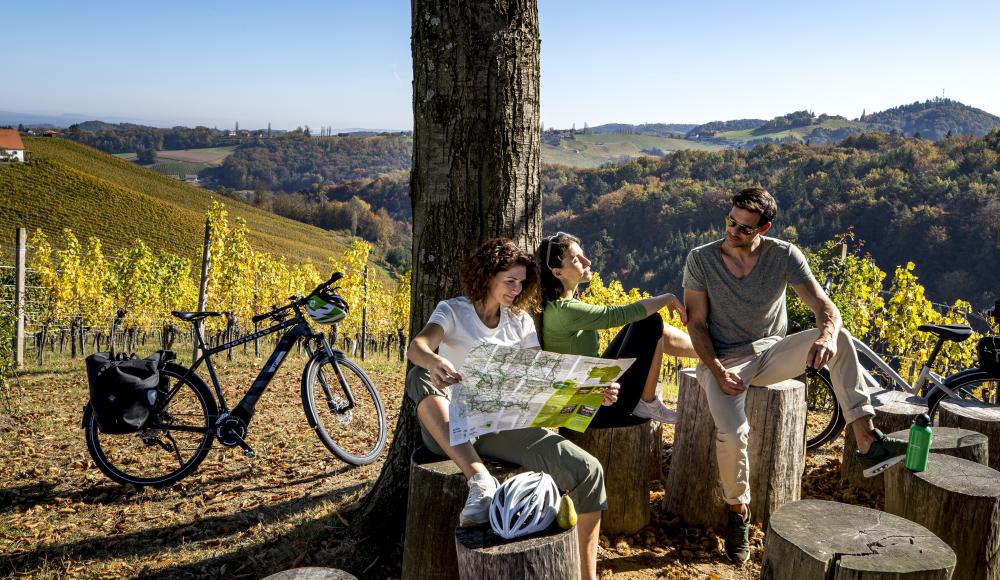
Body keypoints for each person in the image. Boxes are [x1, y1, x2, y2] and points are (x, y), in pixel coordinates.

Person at [682, 186, 908, 562]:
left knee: (843, 339)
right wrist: (718, 370)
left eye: (744, 228)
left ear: (764, 228)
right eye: (730, 222)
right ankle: (737, 513)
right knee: (733, 431)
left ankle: (867, 441)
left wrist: (827, 334)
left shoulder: (784, 255)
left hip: (771, 351)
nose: (733, 232)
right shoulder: (701, 259)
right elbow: (698, 326)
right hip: (723, 360)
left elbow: (824, 306)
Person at [406, 237, 613, 580]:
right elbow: (418, 346)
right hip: (449, 426)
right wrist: (434, 360)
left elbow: (540, 378)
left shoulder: (520, 322)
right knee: (418, 376)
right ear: (487, 276)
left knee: (589, 472)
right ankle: (480, 480)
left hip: (501, 424)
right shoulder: (454, 310)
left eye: (521, 282)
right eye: (510, 281)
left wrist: (590, 392)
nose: (517, 290)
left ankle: (586, 576)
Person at [536, 232, 697, 427]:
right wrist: (668, 297)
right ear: (557, 272)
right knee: (649, 322)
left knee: (647, 325)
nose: (588, 262)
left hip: (599, 394)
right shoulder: (564, 311)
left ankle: (712, 354)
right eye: (577, 260)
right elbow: (618, 314)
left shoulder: (561, 305)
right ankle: (647, 403)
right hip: (592, 410)